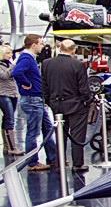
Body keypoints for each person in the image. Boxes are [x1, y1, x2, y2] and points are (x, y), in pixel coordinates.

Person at [42, 39, 91, 173]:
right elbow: (83, 88)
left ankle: (60, 162)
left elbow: (44, 86)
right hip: (75, 104)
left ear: (60, 48)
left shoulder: (46, 64)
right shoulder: (78, 65)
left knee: (60, 134)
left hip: (56, 105)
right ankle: (78, 164)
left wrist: (48, 101)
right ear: (73, 50)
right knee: (77, 135)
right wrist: (87, 100)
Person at [12, 34, 56, 171]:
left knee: (47, 128)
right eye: (41, 44)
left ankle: (53, 158)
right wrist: (26, 84)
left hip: (36, 99)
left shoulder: (29, 58)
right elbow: (17, 72)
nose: (43, 46)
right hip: (32, 99)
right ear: (34, 44)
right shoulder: (26, 58)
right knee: (33, 132)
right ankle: (32, 162)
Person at [0, 45, 24, 155]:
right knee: (9, 119)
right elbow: (4, 76)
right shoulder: (4, 66)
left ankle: (7, 146)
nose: (10, 55)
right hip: (3, 94)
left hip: (12, 94)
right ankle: (12, 147)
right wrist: (13, 66)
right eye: (8, 53)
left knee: (8, 119)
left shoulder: (8, 64)